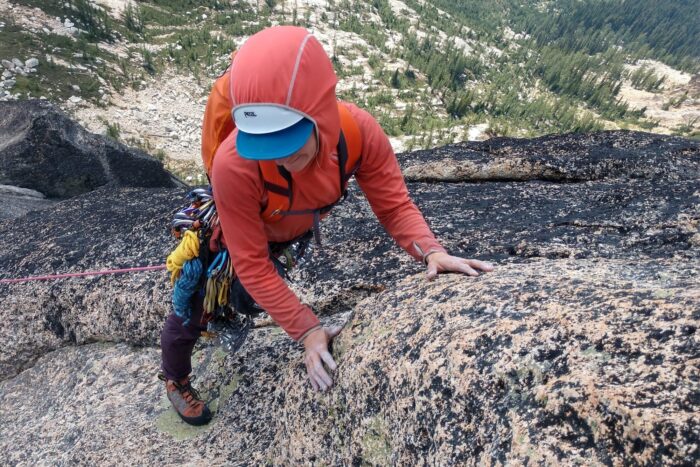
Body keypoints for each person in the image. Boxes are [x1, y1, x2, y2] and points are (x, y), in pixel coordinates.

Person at [159, 26, 494, 426]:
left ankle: (237, 307)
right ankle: (175, 378)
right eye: (267, 147)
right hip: (233, 237)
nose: (281, 160)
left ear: (319, 116)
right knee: (193, 308)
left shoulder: (358, 133)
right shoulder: (234, 164)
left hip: (282, 230)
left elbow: (393, 206)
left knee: (249, 294)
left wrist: (431, 250)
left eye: (289, 145)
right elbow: (250, 261)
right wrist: (307, 330)